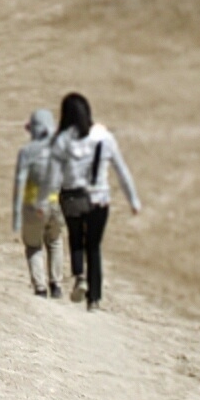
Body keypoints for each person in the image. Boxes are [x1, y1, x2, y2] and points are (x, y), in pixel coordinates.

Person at [53, 91, 142, 308]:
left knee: (75, 238)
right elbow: (121, 170)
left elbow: (53, 173)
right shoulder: (105, 138)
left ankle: (79, 277)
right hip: (99, 199)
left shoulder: (61, 141)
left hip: (72, 196)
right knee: (93, 246)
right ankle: (94, 299)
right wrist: (133, 200)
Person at [11, 108, 70, 297]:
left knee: (33, 246)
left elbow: (20, 180)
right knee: (55, 242)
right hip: (55, 203)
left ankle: (40, 287)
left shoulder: (27, 151)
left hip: (33, 205)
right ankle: (57, 285)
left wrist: (16, 214)